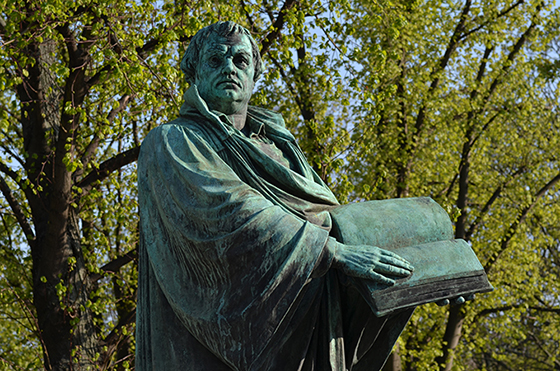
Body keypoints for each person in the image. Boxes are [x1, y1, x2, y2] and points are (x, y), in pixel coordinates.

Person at [136, 21, 416, 371]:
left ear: (255, 76)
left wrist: (422, 281)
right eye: (215, 60)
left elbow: (333, 221)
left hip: (300, 328)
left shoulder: (281, 149)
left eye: (241, 61)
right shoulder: (172, 140)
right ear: (193, 74)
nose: (229, 68)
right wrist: (331, 252)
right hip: (212, 347)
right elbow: (230, 209)